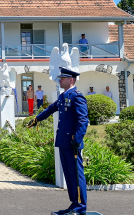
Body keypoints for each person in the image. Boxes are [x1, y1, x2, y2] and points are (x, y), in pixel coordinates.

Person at [28, 67, 88, 215]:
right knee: (68, 174)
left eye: (63, 78)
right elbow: (50, 109)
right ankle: (74, 204)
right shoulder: (63, 96)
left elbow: (83, 120)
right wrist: (37, 119)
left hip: (72, 142)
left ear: (71, 80)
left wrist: (77, 140)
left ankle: (80, 207)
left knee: (76, 174)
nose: (60, 80)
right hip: (62, 141)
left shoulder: (77, 96)